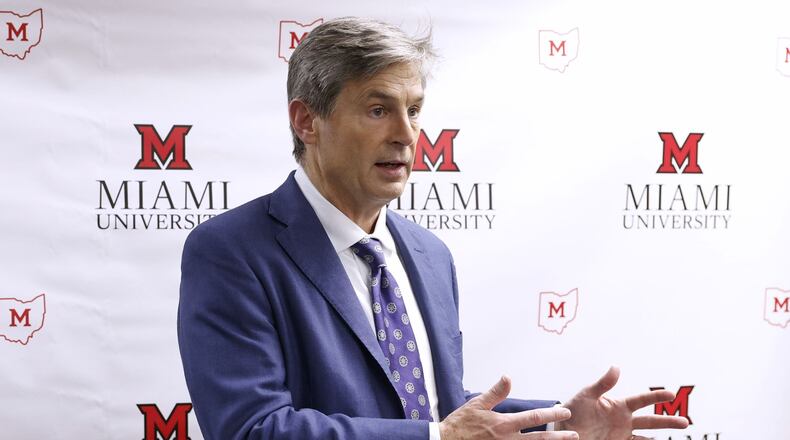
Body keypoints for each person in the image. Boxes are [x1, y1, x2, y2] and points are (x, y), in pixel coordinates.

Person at [177, 17, 689, 440]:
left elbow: (436, 406)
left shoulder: (428, 253)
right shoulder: (230, 251)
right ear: (307, 122)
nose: (406, 134)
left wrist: (561, 422)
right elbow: (252, 429)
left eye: (415, 111)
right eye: (379, 110)